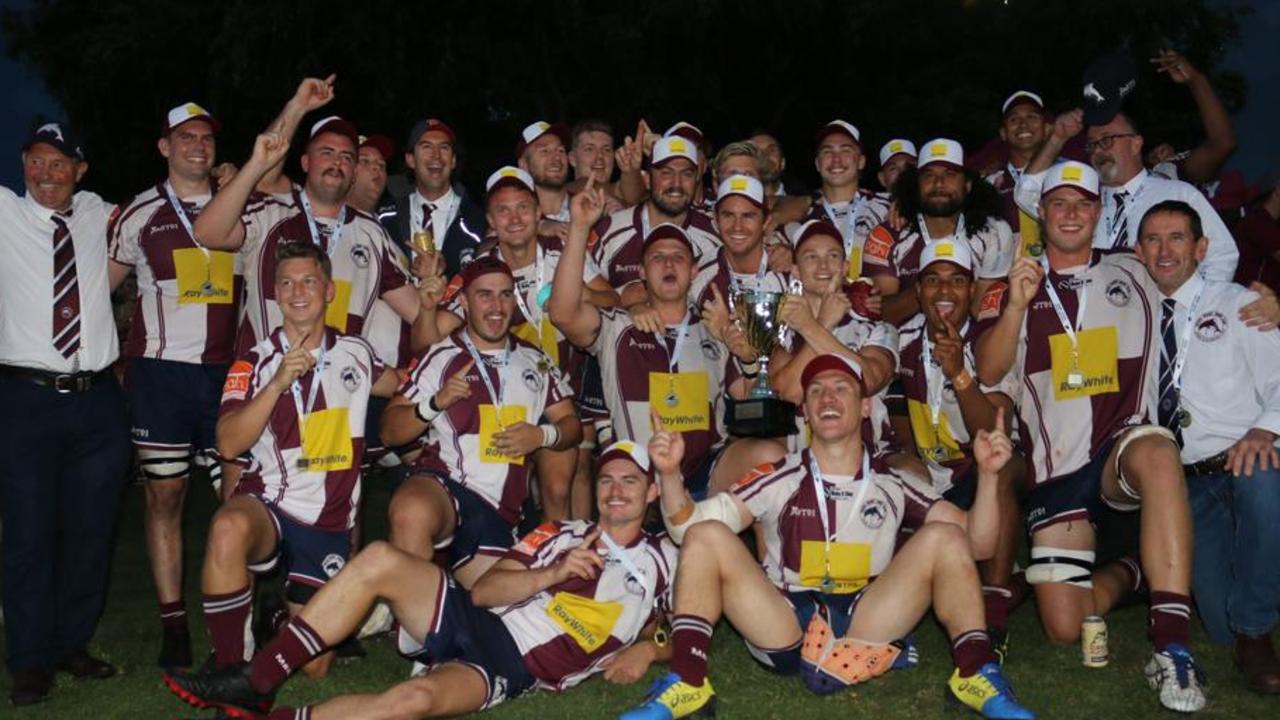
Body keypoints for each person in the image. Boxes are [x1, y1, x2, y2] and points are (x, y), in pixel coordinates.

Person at [619, 355, 1034, 720]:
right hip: (783, 620)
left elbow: (977, 544)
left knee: (946, 537)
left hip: (865, 617)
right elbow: (685, 528)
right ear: (805, 411)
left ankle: (975, 673)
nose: (828, 398)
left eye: (841, 389)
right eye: (816, 391)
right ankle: (689, 681)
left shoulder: (893, 482)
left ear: (865, 405)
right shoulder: (778, 476)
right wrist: (670, 474)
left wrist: (990, 477)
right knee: (706, 535)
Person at [164, 440, 678, 719]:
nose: (615, 491)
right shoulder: (562, 532)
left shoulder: (665, 560)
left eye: (630, 481)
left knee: (412, 703)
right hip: (477, 618)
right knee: (380, 558)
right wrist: (553, 572)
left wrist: (649, 650)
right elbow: (484, 590)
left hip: (510, 666)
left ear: (651, 493)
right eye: (607, 478)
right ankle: (259, 679)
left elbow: (688, 624)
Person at [976, 161, 1208, 712]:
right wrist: (1013, 305)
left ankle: (1172, 647)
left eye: (1084, 203)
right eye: (1060, 204)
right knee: (1065, 625)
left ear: (1100, 212)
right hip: (1059, 470)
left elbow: (1195, 276)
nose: (1072, 213)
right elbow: (987, 371)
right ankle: (1137, 569)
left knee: (1156, 450)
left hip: (1121, 449)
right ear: (1043, 215)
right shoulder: (1016, 287)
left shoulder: (1135, 267)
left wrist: (1263, 300)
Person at [199, 242, 400, 676]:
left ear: (329, 290)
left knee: (315, 669)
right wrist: (274, 385)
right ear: (274, 293)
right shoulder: (251, 362)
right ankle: (229, 668)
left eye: (309, 281)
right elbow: (229, 444)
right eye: (286, 283)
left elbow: (402, 384)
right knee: (227, 527)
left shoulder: (357, 354)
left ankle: (356, 613)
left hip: (327, 523)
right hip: (269, 502)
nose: (297, 292)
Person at [0, 122, 131, 706]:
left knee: (90, 532)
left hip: (98, 400)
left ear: (81, 169)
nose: (45, 173)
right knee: (28, 534)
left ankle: (70, 643)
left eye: (59, 163)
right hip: (25, 399)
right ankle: (29, 661)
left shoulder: (100, 214)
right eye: (35, 160)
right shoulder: (3, 213)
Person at [105, 101, 239, 671]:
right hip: (160, 375)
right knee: (165, 497)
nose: (198, 147)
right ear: (165, 147)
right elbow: (101, 292)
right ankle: (173, 625)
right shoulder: (137, 213)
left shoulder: (242, 205)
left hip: (228, 374)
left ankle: (239, 614)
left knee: (237, 501)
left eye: (206, 138)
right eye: (185, 138)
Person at [552, 178, 783, 498]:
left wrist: (746, 358)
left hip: (704, 472)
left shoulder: (714, 326)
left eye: (678, 256)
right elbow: (562, 313)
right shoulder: (618, 326)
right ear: (642, 272)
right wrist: (579, 228)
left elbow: (747, 400)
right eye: (657, 257)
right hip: (640, 472)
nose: (669, 263)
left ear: (693, 270)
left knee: (770, 455)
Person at [1132, 200, 1280, 694]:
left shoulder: (1239, 302)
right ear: (1139, 251)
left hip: (1243, 458)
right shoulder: (1132, 309)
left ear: (1200, 248)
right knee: (1218, 626)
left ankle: (1257, 634)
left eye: (1177, 238)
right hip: (1183, 479)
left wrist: (1265, 429)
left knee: (1262, 481)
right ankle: (1247, 616)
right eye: (1152, 239)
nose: (1164, 249)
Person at [406, 166, 604, 523]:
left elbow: (612, 300)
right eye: (503, 210)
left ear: (538, 211)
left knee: (562, 485)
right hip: (503, 393)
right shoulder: (480, 271)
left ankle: (565, 558)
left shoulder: (563, 251)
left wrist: (584, 294)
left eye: (523, 208)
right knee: (511, 488)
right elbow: (428, 342)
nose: (515, 218)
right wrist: (427, 303)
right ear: (491, 221)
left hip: (562, 391)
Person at [381, 255, 581, 585]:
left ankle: (433, 589)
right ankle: (412, 620)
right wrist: (434, 404)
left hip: (499, 511)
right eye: (484, 294)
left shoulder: (535, 360)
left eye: (505, 294)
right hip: (445, 485)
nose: (496, 306)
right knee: (410, 510)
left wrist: (542, 436)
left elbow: (571, 426)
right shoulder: (442, 355)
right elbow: (389, 430)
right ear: (463, 301)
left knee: (495, 610)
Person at [191, 79, 421, 355]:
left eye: (347, 157)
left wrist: (444, 291)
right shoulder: (271, 213)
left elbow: (419, 314)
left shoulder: (371, 233)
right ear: (305, 163)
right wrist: (257, 163)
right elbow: (206, 233)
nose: (337, 162)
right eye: (327, 153)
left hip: (339, 388)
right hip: (269, 385)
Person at [890, 239, 1024, 654]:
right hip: (935, 480)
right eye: (932, 280)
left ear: (972, 290)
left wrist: (959, 374)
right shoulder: (902, 340)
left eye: (956, 281)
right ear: (918, 292)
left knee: (999, 465)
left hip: (979, 475)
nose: (944, 291)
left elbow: (993, 430)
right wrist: (913, 481)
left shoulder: (991, 339)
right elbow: (900, 427)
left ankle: (994, 621)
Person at [1015, 108, 1239, 282]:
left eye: (1107, 140)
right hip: (1093, 324)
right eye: (1092, 145)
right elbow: (1026, 193)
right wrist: (1057, 137)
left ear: (1135, 144)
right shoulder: (1085, 203)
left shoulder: (1177, 194)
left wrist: (1190, 314)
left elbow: (1222, 256)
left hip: (1156, 327)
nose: (1099, 150)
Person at [864, 138, 1014, 325]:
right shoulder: (888, 235)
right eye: (928, 175)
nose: (939, 183)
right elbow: (879, 314)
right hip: (901, 348)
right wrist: (931, 286)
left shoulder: (994, 232)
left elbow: (984, 314)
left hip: (969, 346)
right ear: (916, 185)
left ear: (967, 185)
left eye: (950, 174)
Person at [589, 135, 721, 305]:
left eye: (686, 174)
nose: (677, 183)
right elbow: (582, 298)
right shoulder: (609, 231)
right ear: (647, 179)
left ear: (697, 179)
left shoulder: (712, 236)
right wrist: (627, 301)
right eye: (666, 173)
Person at [774, 120, 891, 281]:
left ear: (861, 161)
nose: (836, 159)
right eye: (827, 152)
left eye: (846, 151)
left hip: (875, 302)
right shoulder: (798, 213)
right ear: (817, 163)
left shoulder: (888, 206)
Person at [381, 117, 486, 277]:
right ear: (410, 160)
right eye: (426, 147)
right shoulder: (385, 219)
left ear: (453, 160)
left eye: (444, 148)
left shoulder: (478, 221)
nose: (436, 155)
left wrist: (448, 269)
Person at [983, 91, 1052, 258]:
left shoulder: (1066, 177)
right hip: (1006, 277)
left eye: (1032, 117)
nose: (1023, 125)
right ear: (1003, 133)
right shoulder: (989, 185)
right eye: (1014, 120)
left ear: (1046, 129)